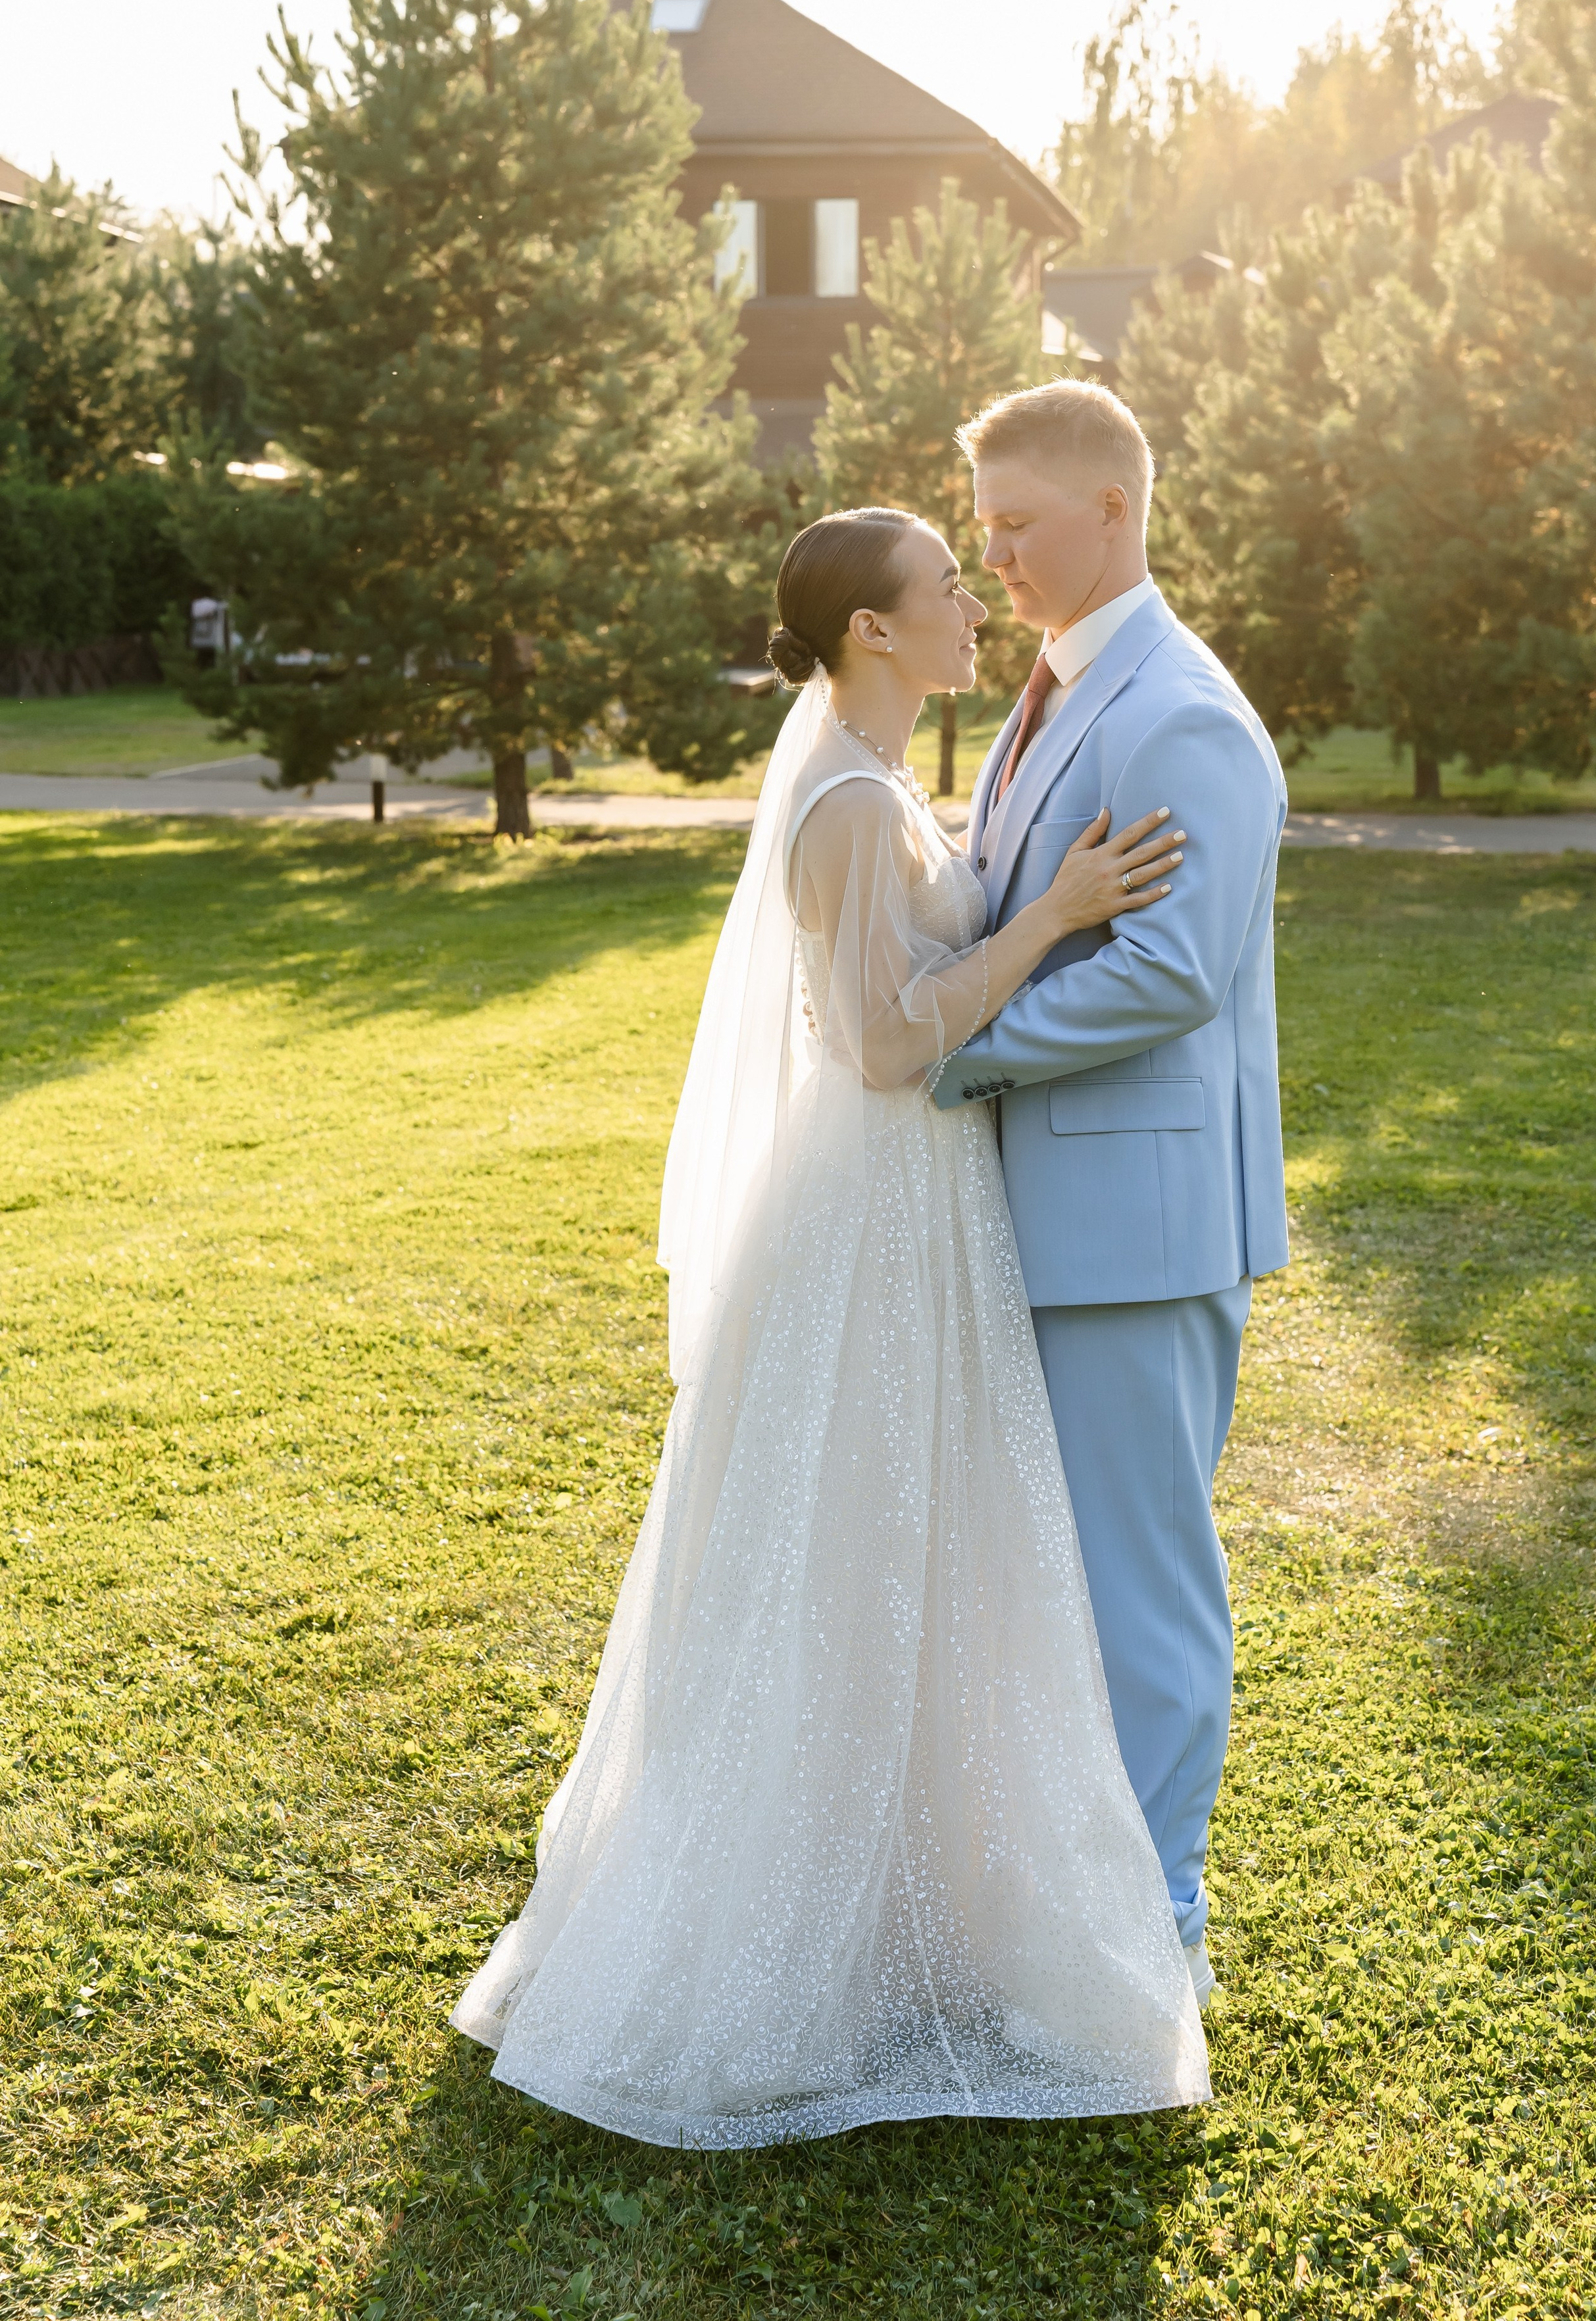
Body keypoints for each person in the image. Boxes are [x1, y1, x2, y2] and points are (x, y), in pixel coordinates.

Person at [452, 506, 1210, 2147]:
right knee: (854, 1539)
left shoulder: (870, 783)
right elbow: (880, 1042)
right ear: (873, 631)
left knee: (900, 1542)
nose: (967, 607)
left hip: (903, 1203)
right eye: (943, 589)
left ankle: (899, 1898)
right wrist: (1053, 913)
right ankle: (776, 1944)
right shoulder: (856, 799)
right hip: (875, 1205)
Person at [930, 382, 1289, 2009]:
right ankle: (1078, 1905)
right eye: (981, 525)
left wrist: (954, 1055)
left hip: (1130, 1236)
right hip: (1055, 1218)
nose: (989, 553)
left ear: (1114, 513)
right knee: (1062, 1580)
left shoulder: (1179, 714)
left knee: (1139, 1590)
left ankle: (1156, 1941)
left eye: (1017, 525)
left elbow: (1166, 974)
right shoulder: (1061, 688)